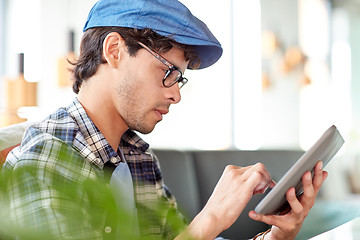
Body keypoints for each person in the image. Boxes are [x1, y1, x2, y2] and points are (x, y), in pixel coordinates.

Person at [2, 0, 328, 239]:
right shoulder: (45, 161)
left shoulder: (136, 157)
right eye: (168, 71)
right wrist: (210, 219)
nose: (176, 95)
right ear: (114, 50)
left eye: (180, 78)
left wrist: (277, 236)